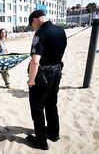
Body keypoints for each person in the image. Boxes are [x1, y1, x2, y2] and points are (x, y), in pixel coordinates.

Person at [26, 10, 67, 150]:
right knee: (51, 103)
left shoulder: (41, 34)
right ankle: (54, 133)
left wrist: (31, 81)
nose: (33, 28)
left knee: (37, 108)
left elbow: (35, 62)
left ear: (36, 20)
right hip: (57, 73)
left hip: (44, 76)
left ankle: (41, 141)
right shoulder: (60, 30)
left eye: (32, 24)